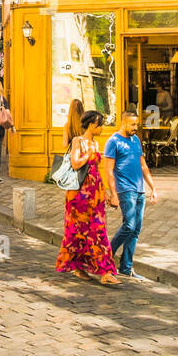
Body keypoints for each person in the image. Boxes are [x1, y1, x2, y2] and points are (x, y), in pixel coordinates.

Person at [55, 110, 119, 286]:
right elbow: (75, 164)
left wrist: (104, 192)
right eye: (100, 125)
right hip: (79, 197)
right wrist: (88, 155)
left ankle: (106, 272)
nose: (102, 128)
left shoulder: (95, 142)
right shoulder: (78, 141)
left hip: (95, 195)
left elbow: (95, 171)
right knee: (77, 233)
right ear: (92, 125)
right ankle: (78, 268)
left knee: (98, 232)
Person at [105, 106, 158, 282]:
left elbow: (143, 165)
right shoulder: (113, 141)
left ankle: (126, 267)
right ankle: (106, 256)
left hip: (139, 189)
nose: (136, 127)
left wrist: (153, 187)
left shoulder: (136, 140)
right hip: (125, 189)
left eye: (137, 124)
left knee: (135, 230)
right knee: (129, 225)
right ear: (123, 122)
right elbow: (109, 170)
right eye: (132, 124)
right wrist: (113, 193)